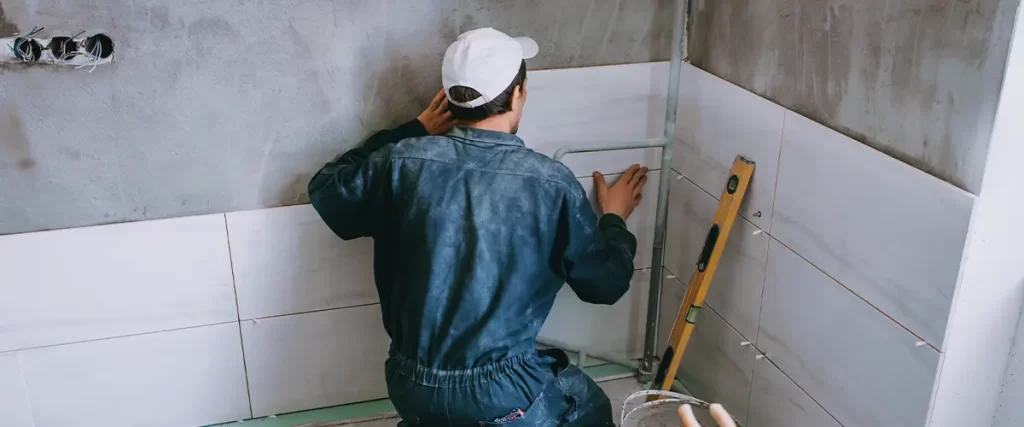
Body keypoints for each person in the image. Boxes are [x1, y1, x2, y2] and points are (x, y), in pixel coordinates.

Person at [308, 27, 648, 426]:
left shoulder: (401, 163)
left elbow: (327, 190)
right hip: (501, 394)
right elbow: (605, 284)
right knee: (590, 407)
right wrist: (613, 220)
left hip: (410, 384)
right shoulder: (549, 184)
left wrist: (414, 129)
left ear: (451, 98)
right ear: (519, 93)